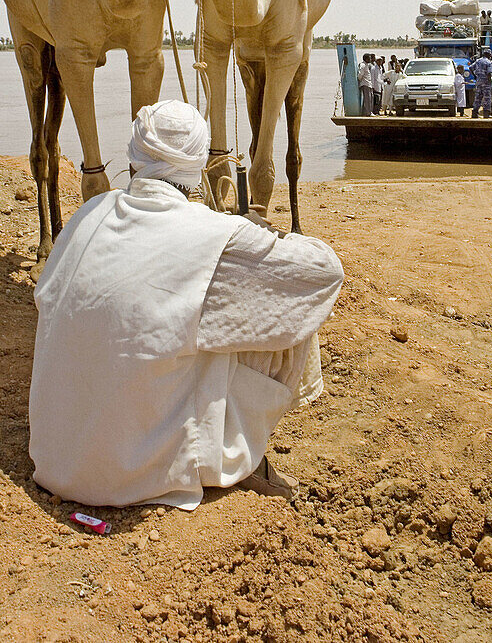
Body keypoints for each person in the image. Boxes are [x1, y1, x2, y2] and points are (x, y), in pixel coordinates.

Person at [29, 100, 344, 511]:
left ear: (133, 154)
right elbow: (323, 272)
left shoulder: (87, 214)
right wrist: (261, 235)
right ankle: (246, 460)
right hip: (139, 474)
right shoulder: (215, 233)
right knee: (284, 296)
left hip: (57, 460)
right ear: (199, 163)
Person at [470, 49, 492, 118]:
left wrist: (475, 76)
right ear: (489, 55)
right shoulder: (488, 62)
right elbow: (489, 73)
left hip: (479, 82)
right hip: (486, 82)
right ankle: (486, 114)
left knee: (478, 97)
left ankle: (474, 113)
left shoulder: (478, 61)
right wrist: (490, 81)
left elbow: (471, 68)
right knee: (487, 98)